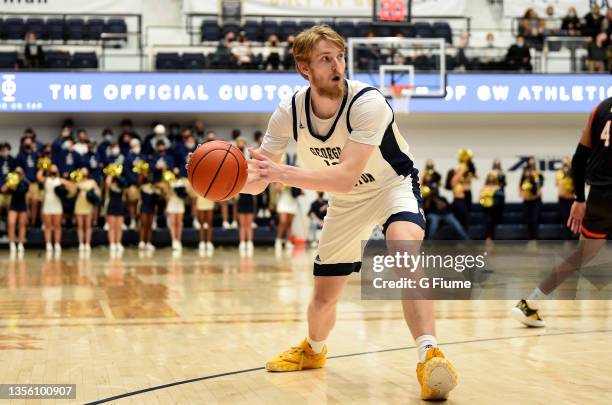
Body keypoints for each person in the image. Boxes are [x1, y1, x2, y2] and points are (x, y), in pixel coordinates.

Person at [238, 25, 457, 400]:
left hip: (392, 186)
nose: (337, 65)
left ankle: (429, 355)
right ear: (304, 68)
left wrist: (282, 173)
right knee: (325, 294)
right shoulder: (288, 110)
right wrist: (226, 181)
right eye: (326, 59)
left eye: (340, 57)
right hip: (348, 202)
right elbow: (259, 179)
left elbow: (342, 177)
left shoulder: (367, 102)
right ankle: (314, 350)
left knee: (404, 251)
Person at [512, 96, 612, 327]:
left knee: (582, 255)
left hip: (599, 197)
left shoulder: (600, 108)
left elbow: (579, 158)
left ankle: (531, 302)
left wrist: (579, 198)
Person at [38, 164, 71, 254]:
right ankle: (48, 244)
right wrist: (43, 166)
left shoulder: (59, 180)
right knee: (48, 226)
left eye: (55, 168)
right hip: (48, 203)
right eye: (52, 168)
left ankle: (57, 244)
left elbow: (71, 186)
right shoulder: (46, 179)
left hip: (57, 203)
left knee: (57, 225)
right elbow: (38, 177)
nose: (53, 169)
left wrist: (64, 191)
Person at [235, 137, 255, 256]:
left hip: (250, 194)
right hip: (241, 193)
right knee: (242, 223)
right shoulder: (235, 156)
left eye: (242, 142)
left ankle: (250, 242)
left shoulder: (249, 157)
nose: (240, 144)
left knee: (249, 223)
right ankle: (242, 242)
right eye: (239, 143)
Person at [1, 167, 29, 254]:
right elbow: (3, 189)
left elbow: (27, 188)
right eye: (16, 172)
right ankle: (12, 244)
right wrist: (10, 181)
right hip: (13, 204)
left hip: (22, 204)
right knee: (11, 223)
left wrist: (22, 178)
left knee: (22, 225)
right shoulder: (12, 181)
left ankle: (21, 244)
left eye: (20, 172)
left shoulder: (25, 182)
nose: (18, 173)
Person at [74, 167, 100, 252]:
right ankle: (81, 243)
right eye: (82, 171)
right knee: (80, 225)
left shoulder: (92, 182)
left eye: (85, 171)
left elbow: (98, 192)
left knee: (88, 225)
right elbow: (71, 192)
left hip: (88, 205)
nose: (84, 173)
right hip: (79, 204)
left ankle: (87, 243)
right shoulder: (77, 181)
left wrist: (91, 194)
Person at [520, 157, 544, 240]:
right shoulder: (524, 174)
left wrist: (536, 176)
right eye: (530, 163)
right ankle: (530, 237)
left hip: (536, 200)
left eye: (533, 163)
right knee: (528, 219)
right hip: (527, 200)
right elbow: (520, 185)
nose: (532, 164)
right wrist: (522, 193)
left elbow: (540, 184)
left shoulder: (538, 173)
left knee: (535, 219)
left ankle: (535, 238)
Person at [165, 167, 187, 251]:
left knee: (179, 223)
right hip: (172, 203)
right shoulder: (169, 182)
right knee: (173, 223)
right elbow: (166, 196)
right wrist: (170, 191)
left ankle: (178, 240)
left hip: (180, 204)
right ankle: (174, 240)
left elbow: (185, 194)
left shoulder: (182, 182)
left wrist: (181, 192)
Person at [105, 169, 126, 254]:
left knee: (119, 226)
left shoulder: (121, 184)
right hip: (112, 205)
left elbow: (125, 185)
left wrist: (119, 177)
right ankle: (112, 243)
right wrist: (112, 172)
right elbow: (107, 182)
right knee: (112, 227)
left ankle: (118, 243)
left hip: (120, 205)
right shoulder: (111, 185)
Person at [138, 172, 158, 251]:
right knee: (143, 224)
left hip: (151, 207)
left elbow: (156, 199)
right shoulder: (142, 187)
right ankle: (142, 241)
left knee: (150, 226)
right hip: (144, 207)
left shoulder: (154, 188)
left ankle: (149, 242)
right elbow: (139, 182)